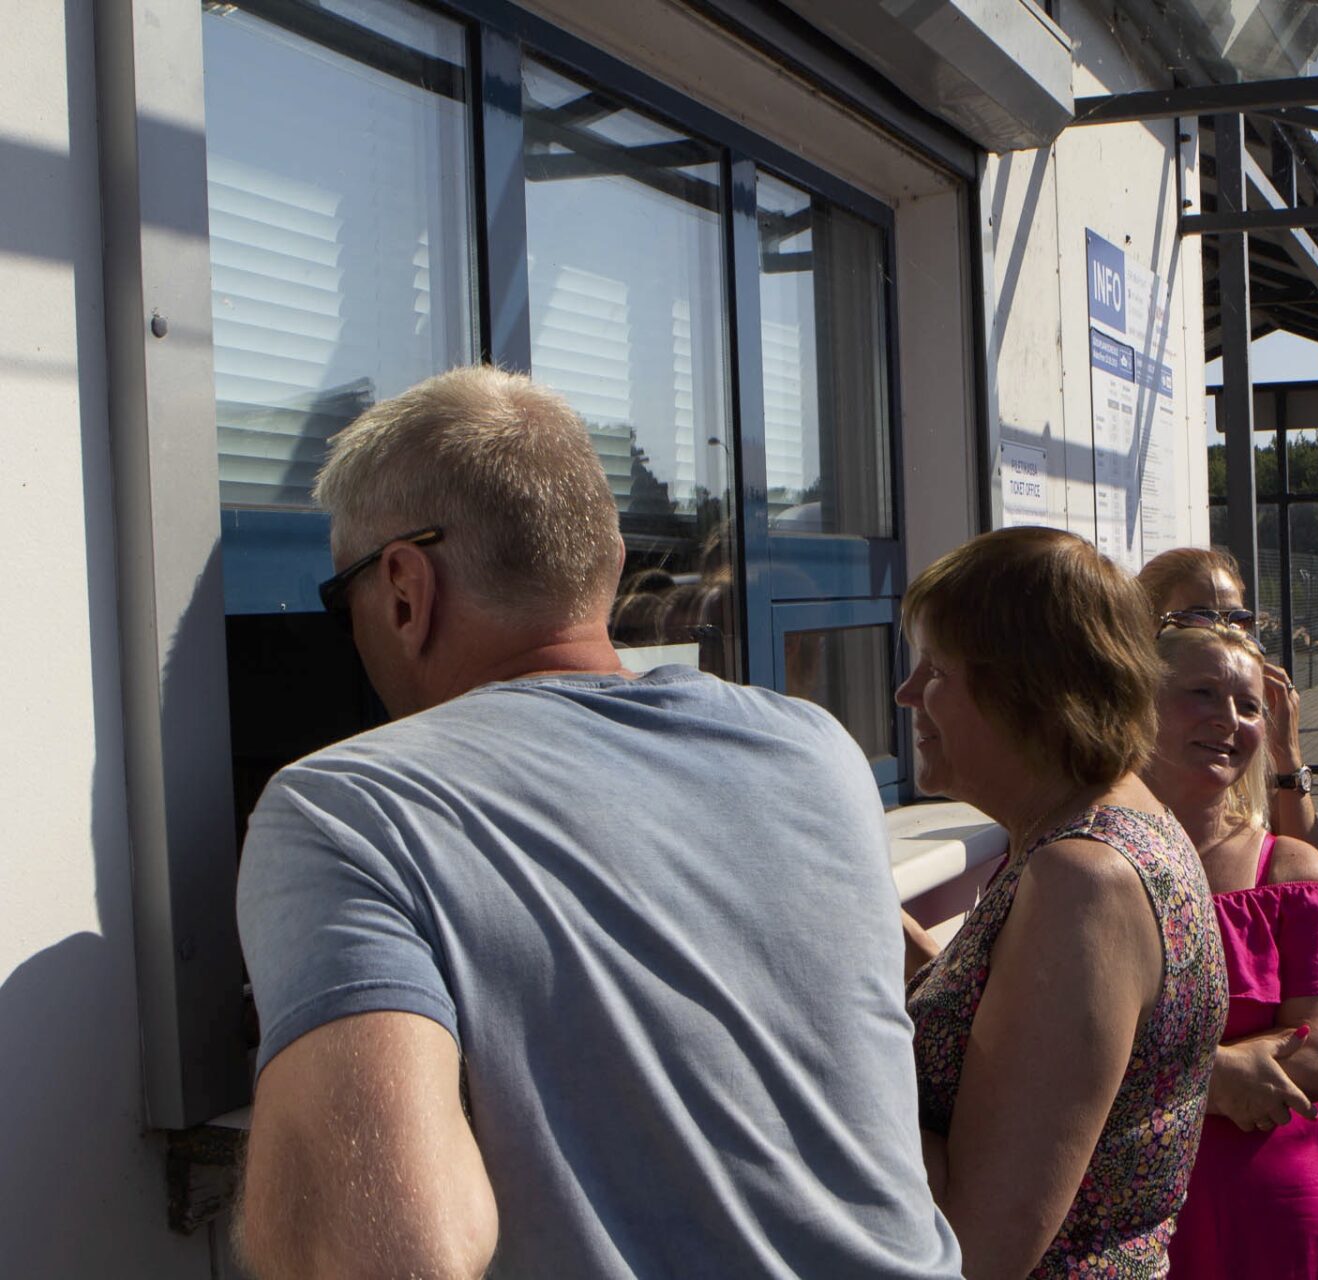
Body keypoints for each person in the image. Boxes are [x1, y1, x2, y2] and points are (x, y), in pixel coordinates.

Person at [233, 367, 961, 1279]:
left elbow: (386, 1253)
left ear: (405, 589)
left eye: (343, 604)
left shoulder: (346, 809)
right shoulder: (816, 749)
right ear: (610, 565)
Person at [899, 527, 1228, 1277]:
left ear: (1031, 691)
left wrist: (809, 1063)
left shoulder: (1085, 879)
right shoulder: (1110, 831)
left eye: (936, 669)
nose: (907, 694)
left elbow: (979, 1248)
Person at [1139, 617, 1318, 1279]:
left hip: (1269, 1213)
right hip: (1130, 1214)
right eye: (1202, 693)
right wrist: (1221, 1074)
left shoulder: (1291, 871)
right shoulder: (1085, 857)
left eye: (1248, 705)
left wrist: (1164, 1078)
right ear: (1140, 702)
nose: (1228, 719)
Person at [1137, 546, 1318, 859]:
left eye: (1237, 621)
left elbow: (1310, 877)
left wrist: (1287, 757)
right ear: (1143, 627)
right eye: (1198, 618)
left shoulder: (1243, 742)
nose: (1223, 635)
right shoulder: (1111, 775)